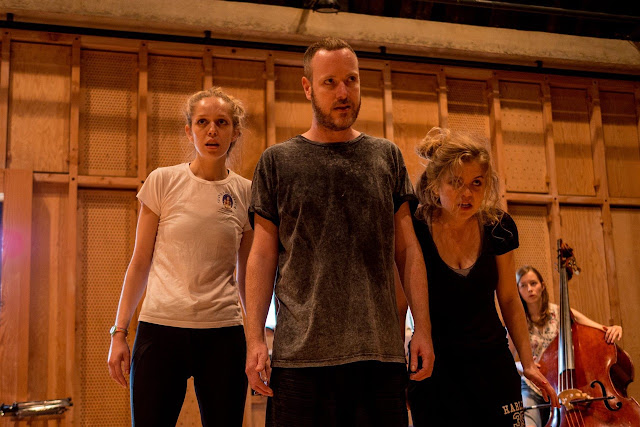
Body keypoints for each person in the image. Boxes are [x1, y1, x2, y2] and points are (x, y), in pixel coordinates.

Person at [244, 37, 435, 426]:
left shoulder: (386, 156)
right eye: (330, 82)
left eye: (352, 80)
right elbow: (262, 256)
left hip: (378, 356)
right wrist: (254, 340)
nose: (343, 92)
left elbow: (408, 251)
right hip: (300, 359)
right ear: (307, 86)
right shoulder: (277, 162)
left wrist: (423, 330)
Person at [107, 87, 253, 426]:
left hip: (223, 332)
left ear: (235, 131)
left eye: (222, 122)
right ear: (189, 130)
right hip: (161, 330)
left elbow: (248, 273)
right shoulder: (163, 181)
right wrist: (119, 332)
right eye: (202, 122)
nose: (212, 130)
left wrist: (257, 337)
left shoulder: (246, 192)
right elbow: (139, 262)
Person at [404, 127, 559, 426]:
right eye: (456, 183)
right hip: (436, 368)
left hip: (492, 364)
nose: (468, 194)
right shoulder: (416, 227)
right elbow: (399, 303)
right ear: (436, 185)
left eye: (477, 183)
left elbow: (510, 298)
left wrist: (528, 363)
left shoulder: (498, 226)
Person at [515, 265, 623, 427]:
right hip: (534, 387)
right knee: (527, 423)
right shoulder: (517, 322)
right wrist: (523, 366)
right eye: (523, 285)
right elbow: (506, 359)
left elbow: (600, 329)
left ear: (542, 286)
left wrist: (615, 328)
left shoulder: (561, 312)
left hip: (562, 384)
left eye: (533, 283)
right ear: (518, 290)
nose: (529, 289)